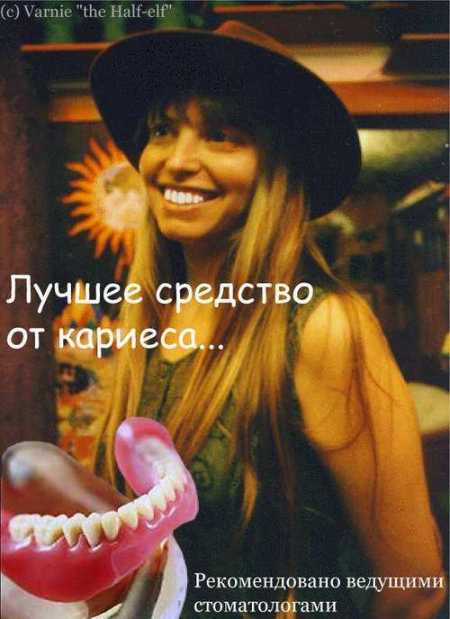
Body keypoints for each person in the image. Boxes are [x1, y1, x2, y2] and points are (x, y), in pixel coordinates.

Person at [89, 20, 446, 619]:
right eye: (163, 130)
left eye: (222, 136)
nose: (178, 160)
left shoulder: (323, 326)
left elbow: (415, 588)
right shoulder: (155, 313)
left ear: (274, 169)